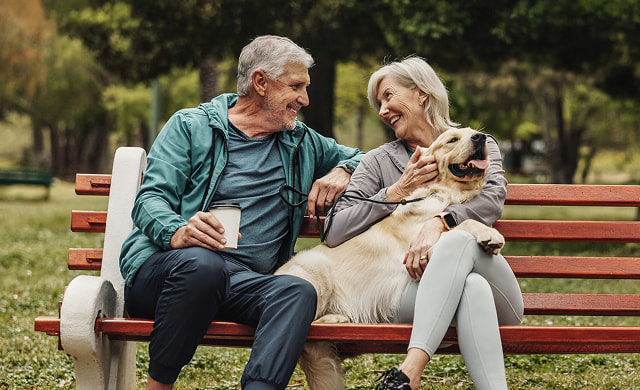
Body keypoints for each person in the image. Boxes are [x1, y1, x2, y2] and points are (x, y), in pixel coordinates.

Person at [118, 35, 363, 390]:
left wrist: (346, 170)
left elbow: (367, 157)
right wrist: (178, 230)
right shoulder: (191, 127)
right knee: (204, 265)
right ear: (260, 82)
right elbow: (150, 199)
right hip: (169, 273)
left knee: (297, 291)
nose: (305, 99)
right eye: (296, 86)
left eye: (306, 88)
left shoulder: (301, 141)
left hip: (242, 285)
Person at [324, 56, 524, 390]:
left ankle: (409, 372)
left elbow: (491, 200)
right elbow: (335, 229)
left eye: (388, 96)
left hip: (498, 292)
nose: (383, 109)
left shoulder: (478, 143)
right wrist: (398, 190)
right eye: (378, 103)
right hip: (411, 291)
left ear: (421, 94)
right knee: (470, 288)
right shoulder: (378, 162)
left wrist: (439, 222)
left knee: (460, 239)